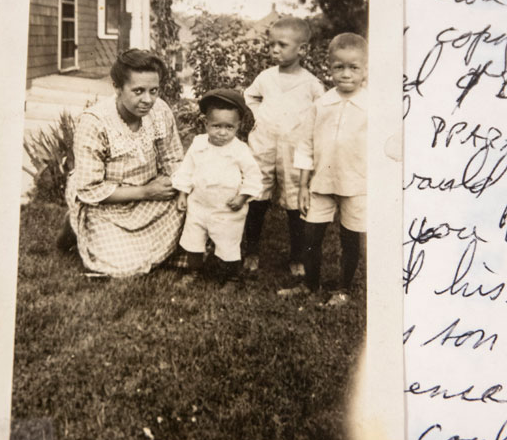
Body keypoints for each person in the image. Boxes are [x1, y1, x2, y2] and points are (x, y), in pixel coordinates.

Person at [63, 49, 183, 277]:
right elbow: (90, 189)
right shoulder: (95, 123)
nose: (148, 99)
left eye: (154, 91)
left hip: (151, 198)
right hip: (107, 203)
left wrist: (178, 187)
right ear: (117, 87)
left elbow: (172, 157)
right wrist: (146, 192)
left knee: (194, 207)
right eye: (138, 91)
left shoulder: (160, 111)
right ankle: (76, 222)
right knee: (124, 267)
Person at [285, 32, 368, 306]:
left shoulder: (372, 107)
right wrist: (302, 187)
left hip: (356, 184)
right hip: (320, 182)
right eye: (338, 67)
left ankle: (343, 288)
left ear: (365, 69)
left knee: (350, 238)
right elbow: (306, 146)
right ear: (328, 67)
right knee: (311, 235)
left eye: (354, 67)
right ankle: (310, 284)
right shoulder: (320, 105)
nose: (346, 74)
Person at [243, 16, 324, 278]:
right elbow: (250, 96)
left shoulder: (311, 83)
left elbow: (321, 112)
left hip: (294, 150)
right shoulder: (266, 78)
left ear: (302, 49)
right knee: (257, 197)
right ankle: (251, 251)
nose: (274, 50)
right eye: (271, 44)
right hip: (264, 145)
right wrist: (259, 117)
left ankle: (297, 257)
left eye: (282, 45)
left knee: (295, 203)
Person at [172, 88, 262, 284]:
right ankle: (193, 271)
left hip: (227, 208)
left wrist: (242, 197)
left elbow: (254, 177)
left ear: (238, 126)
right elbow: (187, 169)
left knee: (228, 243)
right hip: (199, 204)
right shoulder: (198, 144)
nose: (222, 133)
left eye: (229, 127)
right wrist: (182, 194)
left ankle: (232, 277)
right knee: (193, 240)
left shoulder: (240, 150)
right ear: (206, 124)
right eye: (216, 126)